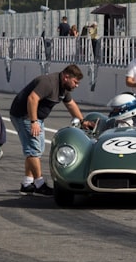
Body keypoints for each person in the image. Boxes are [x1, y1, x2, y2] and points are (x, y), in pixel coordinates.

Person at [9, 63, 88, 196]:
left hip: (36, 117)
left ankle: (27, 183)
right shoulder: (48, 83)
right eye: (75, 82)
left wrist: (82, 121)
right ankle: (39, 185)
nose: (76, 85)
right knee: (33, 149)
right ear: (66, 77)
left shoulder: (64, 88)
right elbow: (32, 99)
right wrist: (33, 121)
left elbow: (70, 104)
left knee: (37, 149)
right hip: (24, 115)